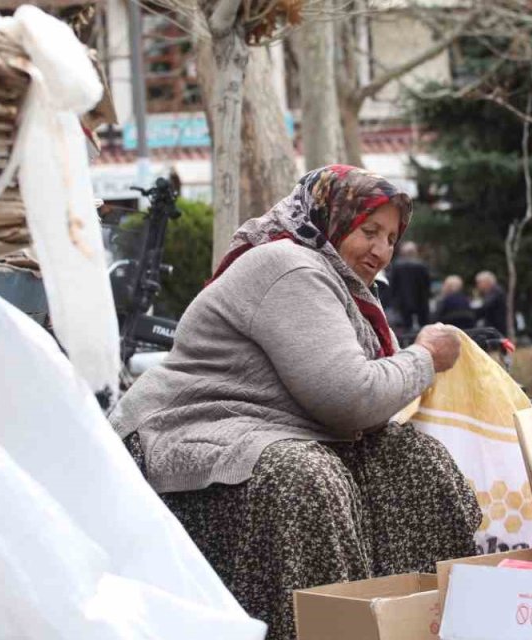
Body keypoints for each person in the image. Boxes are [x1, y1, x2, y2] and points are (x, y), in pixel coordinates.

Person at [110, 165, 480, 640]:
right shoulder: (289, 265)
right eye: (369, 231)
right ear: (331, 218)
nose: (382, 250)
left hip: (270, 430)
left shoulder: (344, 280)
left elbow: (367, 403)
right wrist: (426, 357)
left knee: (414, 462)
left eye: (391, 237)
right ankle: (327, 629)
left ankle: (429, 625)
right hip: (187, 432)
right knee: (303, 478)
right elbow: (351, 397)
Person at [475, 270, 509, 336]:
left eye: (479, 282)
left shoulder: (496, 292)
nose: (477, 285)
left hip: (497, 329)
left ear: (487, 282)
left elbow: (485, 307)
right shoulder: (492, 292)